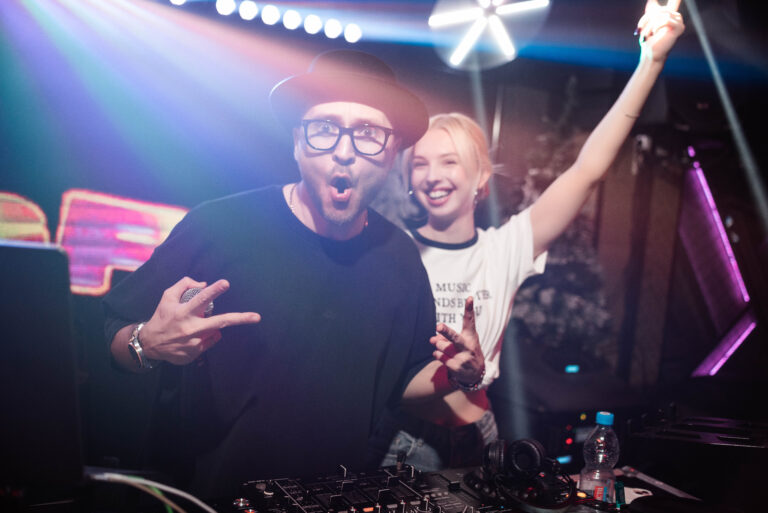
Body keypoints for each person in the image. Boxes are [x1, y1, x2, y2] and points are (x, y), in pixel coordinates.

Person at [102, 49, 485, 499]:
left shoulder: (399, 256)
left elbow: (403, 379)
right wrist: (146, 343)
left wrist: (460, 375)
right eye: (324, 130)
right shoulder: (219, 224)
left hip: (326, 501)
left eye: (368, 134)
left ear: (392, 153)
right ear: (298, 143)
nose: (344, 152)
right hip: (202, 498)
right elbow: (107, 333)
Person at [373, 0, 685, 470]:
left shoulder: (507, 248)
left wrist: (650, 64)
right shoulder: (394, 249)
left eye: (449, 161)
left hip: (480, 437)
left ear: (480, 176)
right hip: (404, 442)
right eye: (419, 163)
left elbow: (587, 170)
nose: (432, 175)